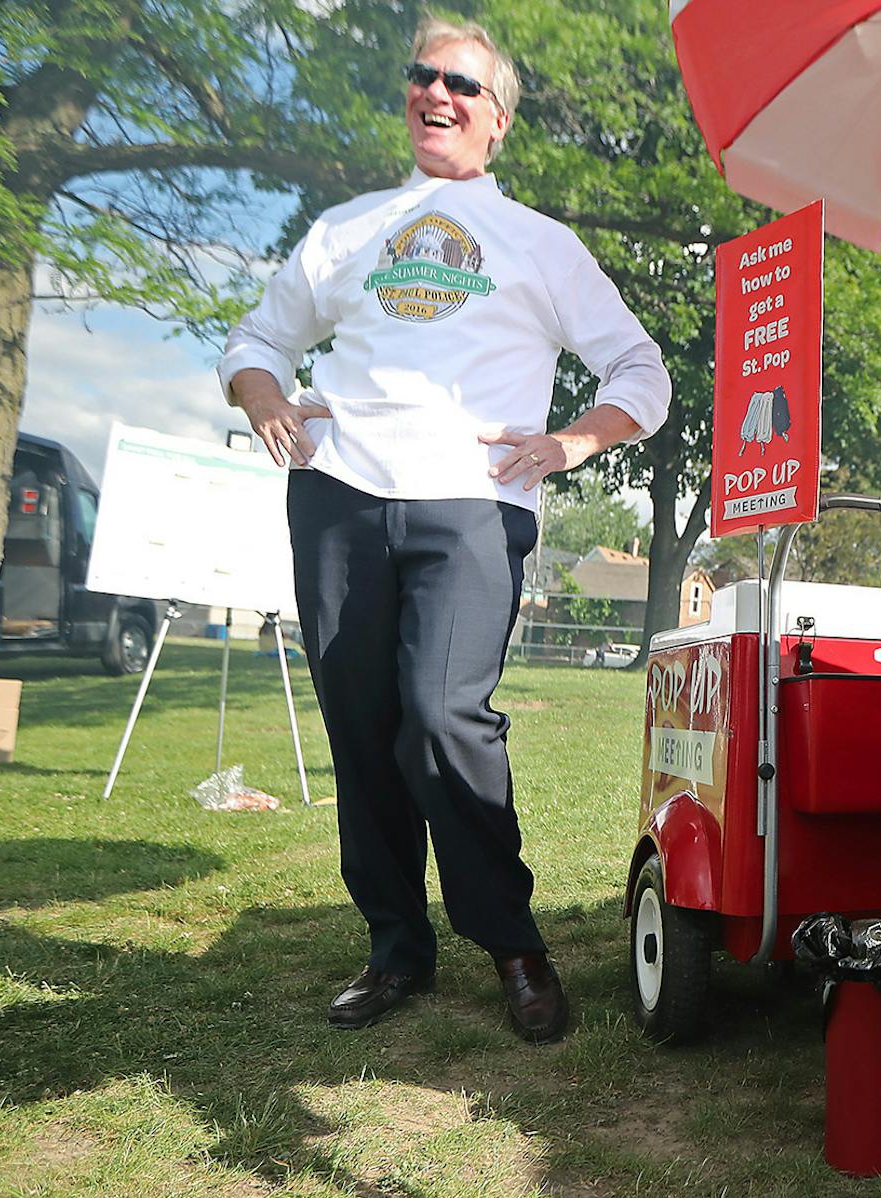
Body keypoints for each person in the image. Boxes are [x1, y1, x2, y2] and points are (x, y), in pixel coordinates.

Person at [217, 18, 670, 1043]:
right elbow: (258, 338)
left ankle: (513, 941)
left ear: (497, 121)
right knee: (361, 725)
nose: (438, 93)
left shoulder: (541, 245)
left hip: (472, 503)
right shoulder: (345, 229)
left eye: (462, 84)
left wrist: (567, 444)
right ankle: (394, 947)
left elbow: (641, 372)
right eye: (423, 76)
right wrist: (265, 397)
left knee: (437, 714)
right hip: (337, 495)